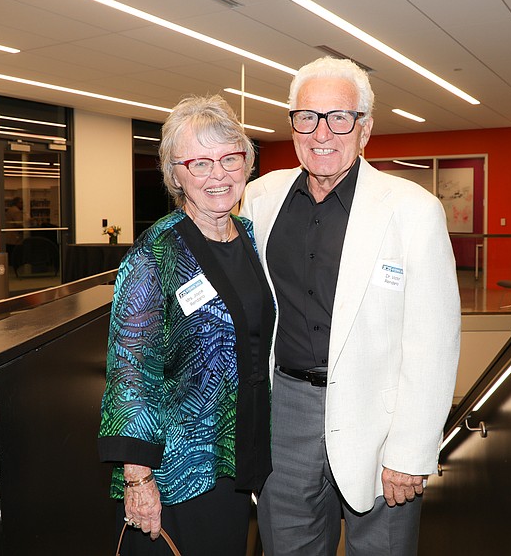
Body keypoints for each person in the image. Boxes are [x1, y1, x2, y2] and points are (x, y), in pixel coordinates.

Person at [240, 57, 461, 555]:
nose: (322, 132)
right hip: (285, 415)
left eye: (339, 117)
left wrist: (411, 449)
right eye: (308, 117)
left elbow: (434, 341)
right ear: (292, 123)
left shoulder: (412, 210)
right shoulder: (260, 198)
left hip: (380, 422)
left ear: (365, 130)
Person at [98, 94, 274, 555]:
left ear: (246, 164)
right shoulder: (156, 252)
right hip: (176, 470)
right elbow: (130, 371)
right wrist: (138, 479)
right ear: (175, 175)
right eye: (199, 163)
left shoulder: (249, 238)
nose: (218, 175)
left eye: (229, 158)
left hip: (232, 458)